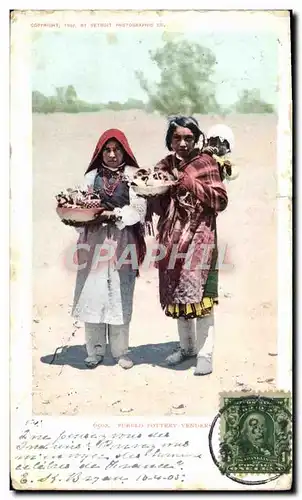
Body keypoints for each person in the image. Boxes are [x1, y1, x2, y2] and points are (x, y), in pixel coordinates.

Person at [149, 116, 228, 376]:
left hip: (200, 239)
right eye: (176, 138)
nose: (182, 143)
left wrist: (188, 183)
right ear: (169, 140)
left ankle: (205, 354)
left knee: (203, 299)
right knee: (179, 297)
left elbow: (220, 200)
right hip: (172, 240)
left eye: (188, 138)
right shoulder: (164, 165)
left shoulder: (207, 164)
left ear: (196, 139)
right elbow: (157, 200)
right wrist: (153, 196)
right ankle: (187, 348)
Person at [71, 129, 147, 369]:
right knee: (92, 294)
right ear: (100, 152)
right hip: (94, 240)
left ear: (124, 151)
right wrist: (84, 217)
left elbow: (139, 207)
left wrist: (119, 215)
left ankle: (120, 351)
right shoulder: (91, 177)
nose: (112, 154)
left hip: (122, 240)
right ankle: (94, 351)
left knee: (120, 295)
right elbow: (79, 204)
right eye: (107, 149)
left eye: (117, 149)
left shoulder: (133, 175)